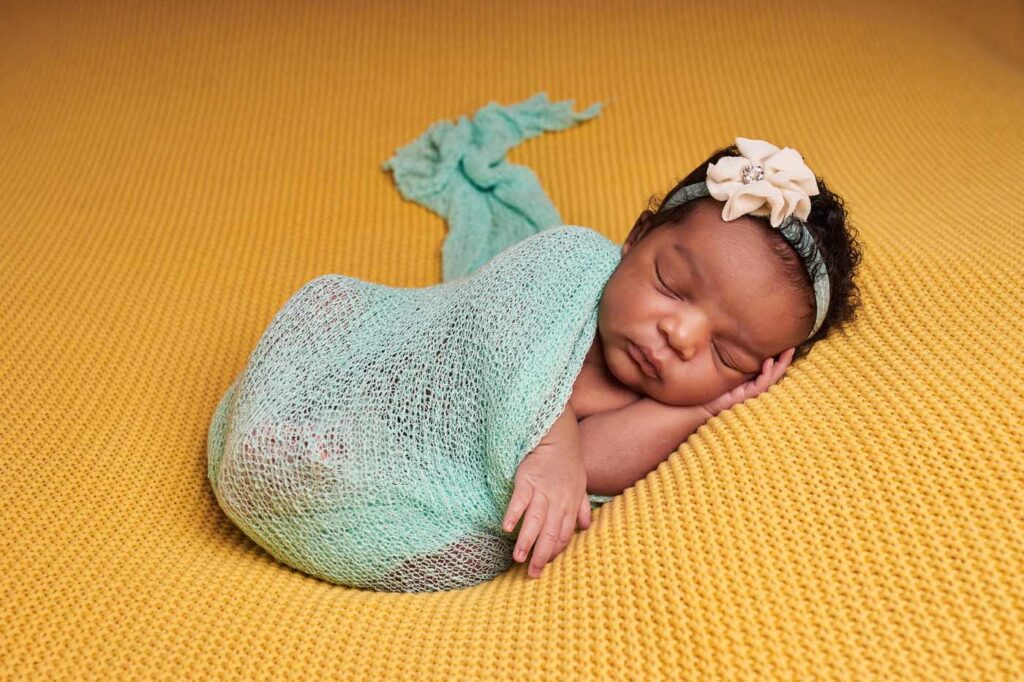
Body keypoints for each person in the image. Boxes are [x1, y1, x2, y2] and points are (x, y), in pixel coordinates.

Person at [502, 137, 865, 579]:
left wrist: (705, 408)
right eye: (670, 284)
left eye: (725, 353)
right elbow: (496, 334)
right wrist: (553, 442)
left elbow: (586, 467)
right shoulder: (568, 266)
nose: (681, 337)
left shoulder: (659, 403)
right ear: (637, 238)